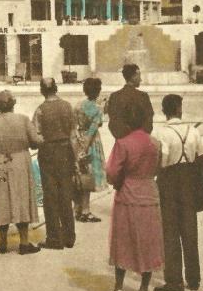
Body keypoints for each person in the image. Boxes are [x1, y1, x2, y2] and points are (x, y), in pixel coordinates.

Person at [105, 104, 165, 291]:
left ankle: (119, 288)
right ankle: (143, 289)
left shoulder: (123, 143)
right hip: (149, 192)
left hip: (128, 194)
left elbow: (112, 171)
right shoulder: (155, 143)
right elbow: (158, 168)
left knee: (122, 240)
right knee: (148, 240)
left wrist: (117, 183)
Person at [152, 95, 203, 291]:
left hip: (169, 182)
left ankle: (174, 281)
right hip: (189, 182)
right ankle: (194, 279)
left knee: (170, 232)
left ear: (164, 111)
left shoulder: (162, 133)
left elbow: (163, 161)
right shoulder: (192, 131)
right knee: (189, 229)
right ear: (179, 109)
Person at [0, 90, 42, 256]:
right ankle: (23, 242)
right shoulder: (23, 120)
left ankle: (3, 241)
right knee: (21, 200)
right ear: (13, 104)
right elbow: (35, 141)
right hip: (19, 162)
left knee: (1, 202)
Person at [33, 78, 77, 249]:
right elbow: (73, 134)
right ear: (56, 88)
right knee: (66, 194)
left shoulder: (40, 110)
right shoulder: (67, 106)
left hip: (48, 153)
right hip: (66, 151)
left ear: (42, 90)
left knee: (50, 196)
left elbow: (37, 136)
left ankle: (54, 238)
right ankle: (69, 237)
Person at [73, 78, 107, 223]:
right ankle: (86, 211)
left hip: (78, 137)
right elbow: (93, 130)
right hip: (90, 142)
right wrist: (85, 148)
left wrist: (78, 145)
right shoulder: (97, 108)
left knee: (79, 176)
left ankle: (78, 208)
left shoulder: (78, 105)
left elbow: (74, 126)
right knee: (88, 176)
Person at [106, 63, 154, 139]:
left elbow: (113, 123)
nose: (141, 80)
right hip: (139, 141)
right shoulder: (143, 96)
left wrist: (124, 138)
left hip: (122, 142)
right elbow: (149, 122)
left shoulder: (115, 96)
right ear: (133, 77)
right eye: (139, 76)